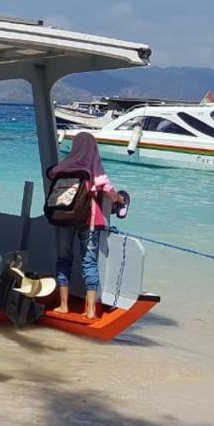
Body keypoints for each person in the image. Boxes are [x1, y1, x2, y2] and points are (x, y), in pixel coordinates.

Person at [47, 131, 125, 319]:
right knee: (89, 263)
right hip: (88, 220)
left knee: (64, 259)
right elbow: (107, 188)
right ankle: (90, 310)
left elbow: (50, 173)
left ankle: (63, 305)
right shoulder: (93, 167)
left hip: (63, 217)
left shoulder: (65, 166)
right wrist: (120, 199)